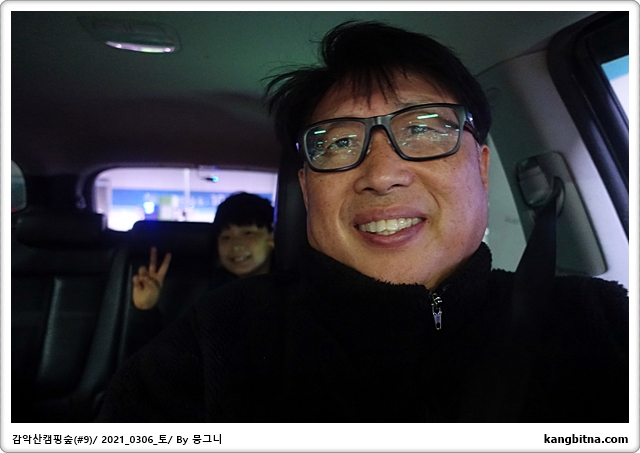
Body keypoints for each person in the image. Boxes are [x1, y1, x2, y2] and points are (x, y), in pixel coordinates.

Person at [96, 21, 628, 422]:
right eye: (339, 142)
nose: (382, 173)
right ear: (306, 189)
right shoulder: (217, 340)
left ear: (481, 168)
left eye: (423, 128)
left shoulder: (600, 324)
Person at [125, 192, 275, 355]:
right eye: (225, 237)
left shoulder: (289, 293)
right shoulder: (207, 299)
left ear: (272, 237)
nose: (236, 246)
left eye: (247, 233)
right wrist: (145, 310)